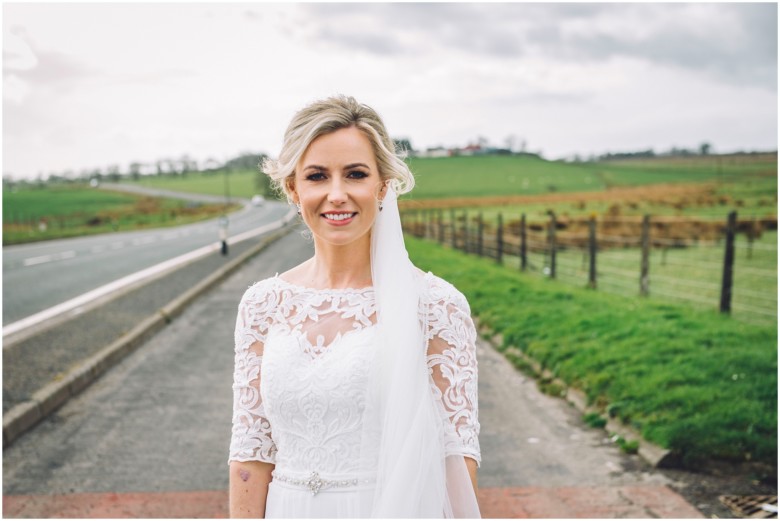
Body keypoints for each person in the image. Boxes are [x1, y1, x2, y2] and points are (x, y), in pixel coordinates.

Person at [228, 95, 481, 518]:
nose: (337, 194)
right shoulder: (262, 305)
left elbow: (455, 458)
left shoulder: (437, 306)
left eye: (355, 174)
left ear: (382, 186)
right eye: (317, 176)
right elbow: (250, 452)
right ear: (293, 188)